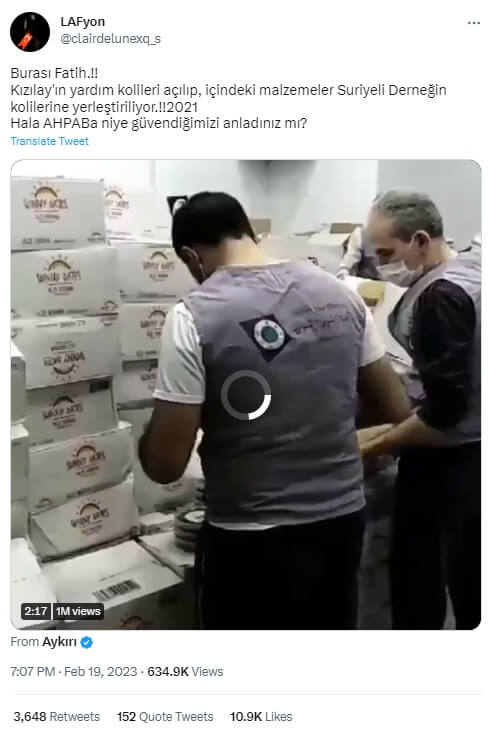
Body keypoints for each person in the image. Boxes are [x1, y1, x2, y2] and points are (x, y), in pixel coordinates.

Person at [139, 191, 410, 630]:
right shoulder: (341, 294)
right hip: (341, 522)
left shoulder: (192, 317)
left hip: (250, 536)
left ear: (191, 256)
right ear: (248, 233)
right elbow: (395, 408)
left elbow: (165, 465)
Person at [359, 190, 481, 630]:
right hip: (470, 446)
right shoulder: (471, 271)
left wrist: (373, 444)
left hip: (451, 456)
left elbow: (446, 410)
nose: (381, 266)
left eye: (387, 254)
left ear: (421, 240)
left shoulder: (440, 296)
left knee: (424, 574)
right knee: (468, 576)